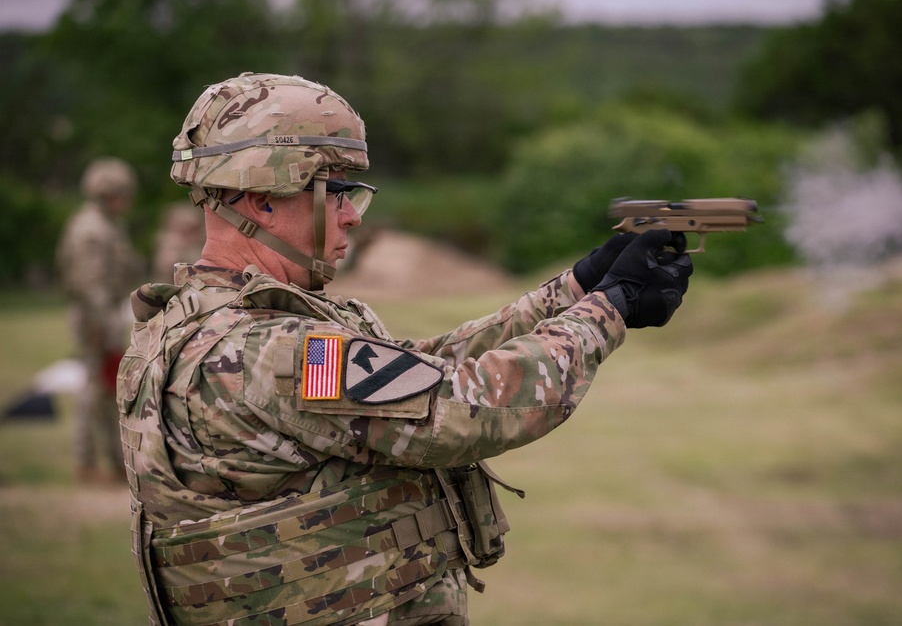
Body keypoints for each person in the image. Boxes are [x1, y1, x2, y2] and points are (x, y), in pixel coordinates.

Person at [119, 72, 693, 626]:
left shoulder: (215, 325)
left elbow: (419, 372)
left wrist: (576, 288)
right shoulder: (265, 351)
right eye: (335, 192)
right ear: (260, 201)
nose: (350, 216)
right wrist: (611, 310)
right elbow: (464, 406)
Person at [57, 156, 143, 483]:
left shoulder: (108, 224)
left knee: (105, 389)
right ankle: (87, 463)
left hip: (106, 315)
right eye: (124, 193)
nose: (128, 199)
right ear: (110, 194)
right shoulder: (91, 230)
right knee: (95, 390)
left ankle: (109, 463)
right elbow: (91, 285)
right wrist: (105, 326)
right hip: (96, 319)